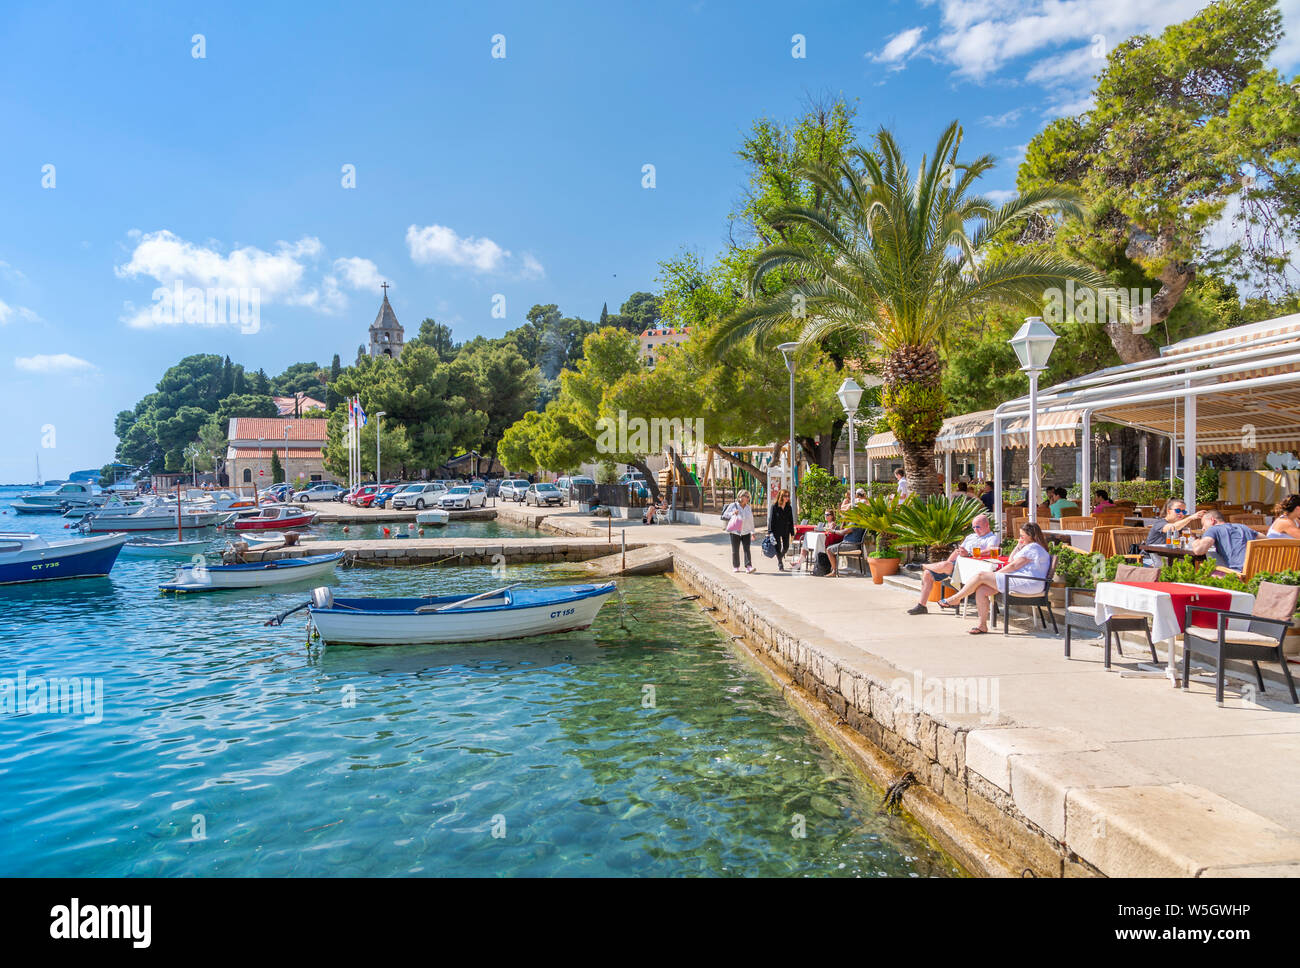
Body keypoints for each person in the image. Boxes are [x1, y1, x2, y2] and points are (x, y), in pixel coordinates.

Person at [938, 522, 1053, 634]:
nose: (1020, 537)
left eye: (1022, 535)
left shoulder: (1033, 547)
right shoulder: (1031, 547)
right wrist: (1018, 545)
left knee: (981, 575)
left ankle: (956, 598)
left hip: (1028, 583)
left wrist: (997, 574)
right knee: (981, 589)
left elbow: (1013, 566)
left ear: (1031, 536)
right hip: (1023, 581)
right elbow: (1011, 560)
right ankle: (982, 625)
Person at [907, 513, 1000, 614]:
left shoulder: (992, 538)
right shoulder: (970, 537)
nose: (975, 529)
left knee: (944, 566)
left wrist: (969, 553)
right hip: (956, 565)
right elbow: (957, 551)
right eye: (973, 527)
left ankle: (921, 566)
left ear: (987, 525)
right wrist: (946, 563)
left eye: (978, 527)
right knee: (928, 574)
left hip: (970, 568)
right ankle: (922, 606)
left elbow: (990, 550)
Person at [1189, 509, 1259, 572]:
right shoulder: (1242, 527)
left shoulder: (1213, 529)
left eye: (1203, 524)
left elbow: (1199, 550)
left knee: (1206, 572)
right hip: (1260, 571)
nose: (1203, 528)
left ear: (1212, 520)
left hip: (1238, 573)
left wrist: (1195, 542)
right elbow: (1266, 540)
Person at [722, 489, 756, 573]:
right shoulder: (733, 505)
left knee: (747, 549)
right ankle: (736, 566)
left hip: (746, 531)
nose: (748, 499)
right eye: (746, 496)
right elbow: (724, 515)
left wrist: (752, 532)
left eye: (749, 497)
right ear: (740, 497)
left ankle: (748, 566)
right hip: (735, 531)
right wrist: (733, 513)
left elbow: (751, 520)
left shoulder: (748, 507)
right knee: (735, 550)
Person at [768, 489, 795, 572]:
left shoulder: (789, 507)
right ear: (781, 496)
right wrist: (770, 531)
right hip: (776, 530)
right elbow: (771, 520)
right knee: (778, 547)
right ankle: (780, 563)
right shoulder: (775, 506)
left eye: (788, 496)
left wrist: (792, 533)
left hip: (785, 530)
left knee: (786, 547)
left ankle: (780, 557)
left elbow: (791, 520)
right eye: (785, 496)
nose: (787, 498)